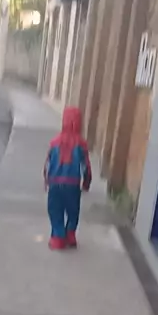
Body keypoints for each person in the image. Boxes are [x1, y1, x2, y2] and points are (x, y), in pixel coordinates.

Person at [43, 107, 92, 250]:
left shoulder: (54, 142)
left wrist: (46, 179)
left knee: (55, 211)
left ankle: (58, 238)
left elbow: (47, 164)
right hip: (72, 185)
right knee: (73, 211)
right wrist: (86, 183)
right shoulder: (81, 144)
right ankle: (70, 235)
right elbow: (86, 166)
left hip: (55, 183)